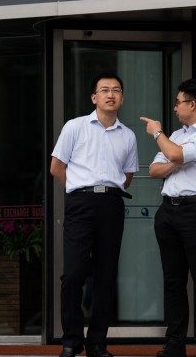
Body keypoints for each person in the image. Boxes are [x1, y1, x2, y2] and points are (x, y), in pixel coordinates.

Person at [50, 72, 138, 357]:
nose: (110, 94)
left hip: (112, 205)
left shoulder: (129, 135)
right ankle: (71, 340)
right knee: (73, 274)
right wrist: (78, 191)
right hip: (80, 204)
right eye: (104, 90)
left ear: (122, 98)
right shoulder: (75, 127)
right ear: (94, 97)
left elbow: (127, 175)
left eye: (116, 90)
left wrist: (106, 191)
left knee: (105, 275)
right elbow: (56, 167)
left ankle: (97, 343)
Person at [139, 78, 196, 357]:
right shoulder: (176, 134)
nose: (175, 107)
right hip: (168, 211)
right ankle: (175, 343)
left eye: (179, 102)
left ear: (192, 104)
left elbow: (173, 154)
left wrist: (157, 134)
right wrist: (175, 160)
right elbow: (154, 169)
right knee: (173, 280)